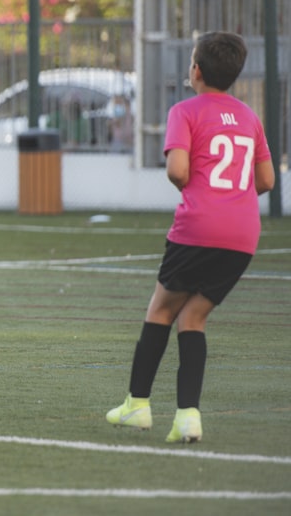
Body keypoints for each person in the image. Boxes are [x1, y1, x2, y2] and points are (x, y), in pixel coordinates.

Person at [106, 31, 274, 443]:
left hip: (199, 225)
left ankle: (138, 406)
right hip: (243, 233)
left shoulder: (185, 111)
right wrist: (231, 200)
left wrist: (204, 197)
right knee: (193, 318)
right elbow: (266, 179)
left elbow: (178, 170)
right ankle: (188, 417)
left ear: (195, 69)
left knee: (161, 311)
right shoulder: (249, 117)